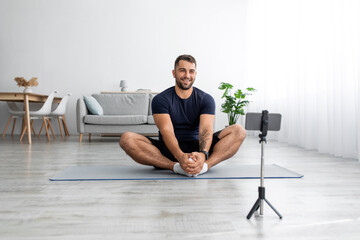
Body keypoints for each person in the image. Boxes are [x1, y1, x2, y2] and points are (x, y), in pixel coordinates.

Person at [119, 54, 246, 177]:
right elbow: (167, 131)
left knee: (239, 130)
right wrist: (180, 156)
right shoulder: (161, 99)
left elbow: (205, 129)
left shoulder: (206, 99)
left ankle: (204, 166)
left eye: (191, 71)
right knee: (126, 138)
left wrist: (203, 154)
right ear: (174, 73)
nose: (187, 75)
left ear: (195, 74)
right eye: (182, 71)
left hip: (198, 147)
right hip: (168, 150)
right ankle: (175, 167)